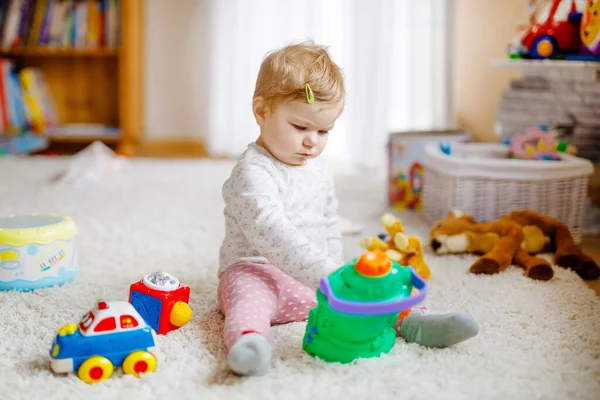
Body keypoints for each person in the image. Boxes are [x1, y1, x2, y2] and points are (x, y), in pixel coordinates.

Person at [218, 41, 478, 376]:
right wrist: (328, 274)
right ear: (262, 112)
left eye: (323, 130)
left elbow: (328, 219)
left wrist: (337, 271)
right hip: (257, 272)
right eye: (300, 127)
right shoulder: (252, 172)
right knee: (245, 302)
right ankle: (249, 343)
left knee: (368, 288)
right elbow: (269, 229)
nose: (313, 141)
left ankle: (413, 320)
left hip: (314, 281)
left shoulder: (318, 167)